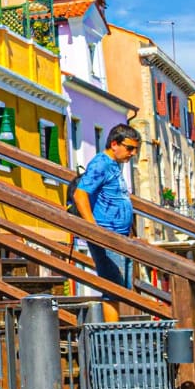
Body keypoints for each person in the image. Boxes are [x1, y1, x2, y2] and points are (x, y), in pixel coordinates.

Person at [73, 123, 141, 302]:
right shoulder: (100, 164)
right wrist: (94, 230)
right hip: (107, 236)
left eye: (136, 149)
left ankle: (121, 329)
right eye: (130, 148)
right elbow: (80, 195)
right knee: (113, 290)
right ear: (114, 144)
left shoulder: (114, 165)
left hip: (120, 236)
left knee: (122, 289)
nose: (133, 153)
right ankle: (113, 330)